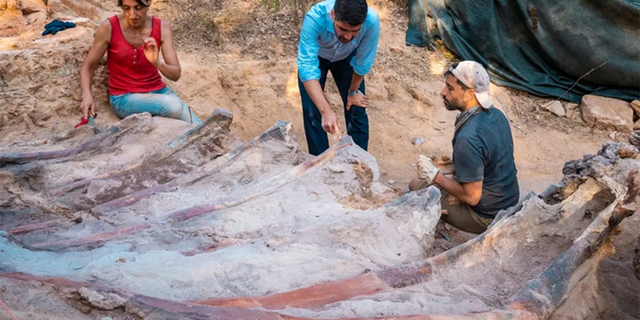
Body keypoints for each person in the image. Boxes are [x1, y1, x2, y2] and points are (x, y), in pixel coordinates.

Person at [409, 61, 519, 234]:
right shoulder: (496, 115)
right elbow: (490, 158)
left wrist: (435, 175)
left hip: (486, 216)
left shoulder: (468, 138)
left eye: (450, 89)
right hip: (509, 201)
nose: (442, 93)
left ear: (469, 93)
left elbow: (472, 197)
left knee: (416, 184)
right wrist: (452, 167)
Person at [78, 0, 200, 123]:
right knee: (174, 107)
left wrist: (157, 62)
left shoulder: (162, 27)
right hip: (124, 98)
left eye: (138, 8)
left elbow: (175, 75)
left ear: (149, 3)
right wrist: (86, 95)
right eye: (126, 8)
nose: (132, 15)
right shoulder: (109, 27)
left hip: (160, 92)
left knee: (199, 126)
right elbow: (88, 66)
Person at [297, 0, 380, 155]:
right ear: (333, 15)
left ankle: (360, 164)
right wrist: (326, 111)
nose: (348, 36)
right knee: (313, 111)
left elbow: (363, 62)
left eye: (355, 31)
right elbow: (307, 68)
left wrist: (353, 92)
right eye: (342, 29)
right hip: (317, 58)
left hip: (348, 58)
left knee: (357, 108)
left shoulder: (371, 21)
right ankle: (320, 163)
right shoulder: (315, 18)